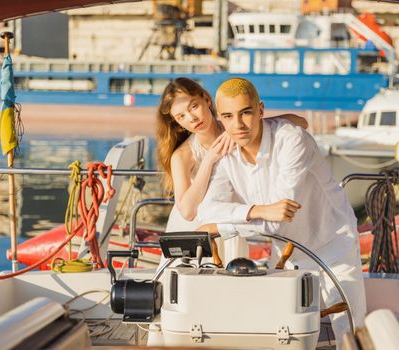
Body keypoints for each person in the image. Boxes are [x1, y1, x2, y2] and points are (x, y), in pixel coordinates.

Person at [196, 77, 366, 347]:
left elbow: (279, 219)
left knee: (350, 327)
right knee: (284, 330)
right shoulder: (226, 152)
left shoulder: (291, 140)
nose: (237, 124)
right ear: (220, 118)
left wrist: (223, 227)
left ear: (261, 110)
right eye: (228, 116)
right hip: (286, 250)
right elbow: (207, 212)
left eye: (246, 113)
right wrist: (258, 210)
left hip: (332, 241)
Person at [156, 77, 307, 262]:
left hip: (230, 225)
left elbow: (301, 122)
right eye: (181, 117)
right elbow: (187, 211)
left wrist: (246, 125)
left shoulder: (237, 128)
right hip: (197, 234)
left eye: (193, 107)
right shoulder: (183, 155)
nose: (192, 118)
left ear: (206, 99)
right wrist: (209, 159)